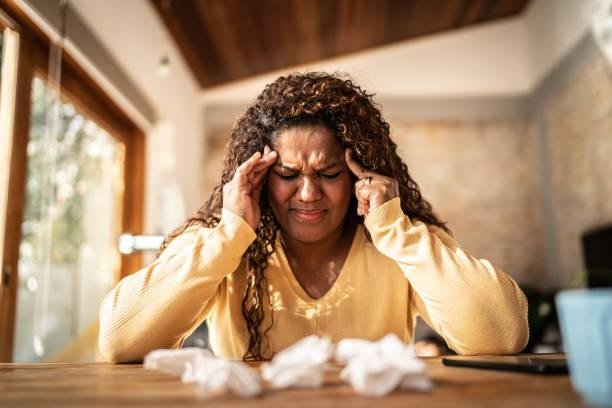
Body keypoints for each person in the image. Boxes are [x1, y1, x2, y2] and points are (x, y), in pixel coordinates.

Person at [99, 72, 529, 362]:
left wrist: (394, 230)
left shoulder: (399, 238)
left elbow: (503, 335)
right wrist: (230, 235)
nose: (307, 193)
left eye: (329, 173)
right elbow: (119, 341)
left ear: (360, 172)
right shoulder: (221, 244)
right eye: (287, 174)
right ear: (261, 177)